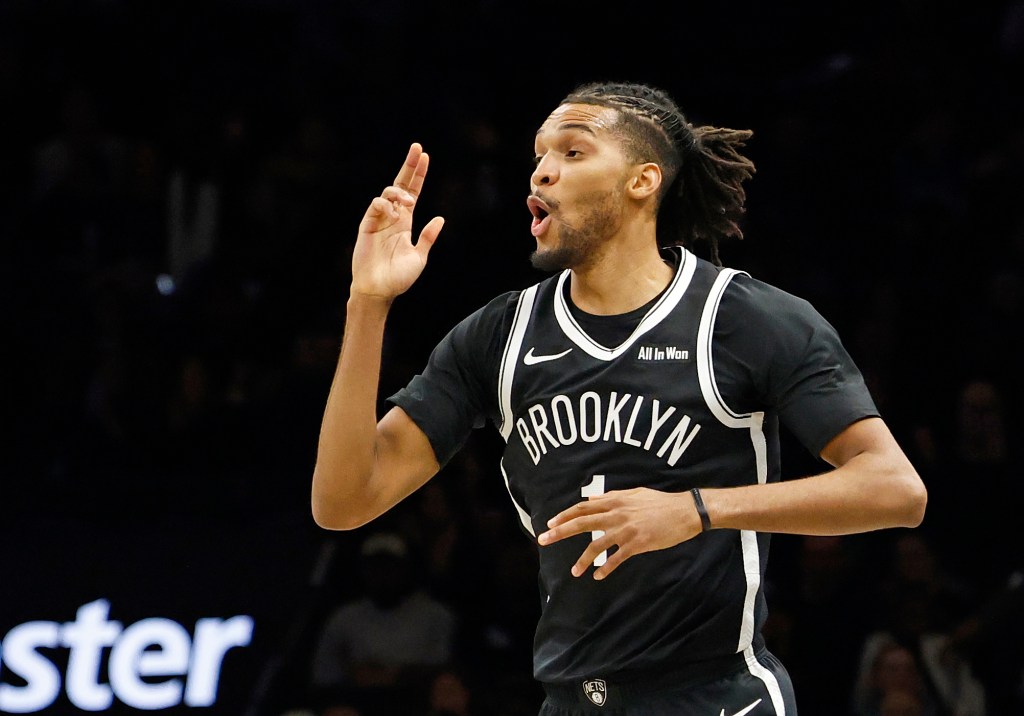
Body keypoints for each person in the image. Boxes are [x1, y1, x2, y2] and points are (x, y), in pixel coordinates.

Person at [310, 81, 928, 715]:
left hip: (719, 697)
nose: (543, 172)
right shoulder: (498, 337)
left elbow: (895, 491)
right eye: (537, 157)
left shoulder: (745, 319)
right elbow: (344, 500)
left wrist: (695, 509)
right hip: (570, 700)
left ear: (642, 181)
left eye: (573, 152)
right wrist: (368, 304)